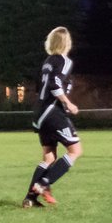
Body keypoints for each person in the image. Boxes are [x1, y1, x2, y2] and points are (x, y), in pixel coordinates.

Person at [24, 26, 82, 207]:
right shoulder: (63, 61)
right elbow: (55, 84)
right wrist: (68, 103)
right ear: (67, 43)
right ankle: (42, 184)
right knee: (75, 151)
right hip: (52, 111)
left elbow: (40, 85)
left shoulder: (47, 61)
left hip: (39, 112)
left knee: (49, 157)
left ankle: (30, 198)